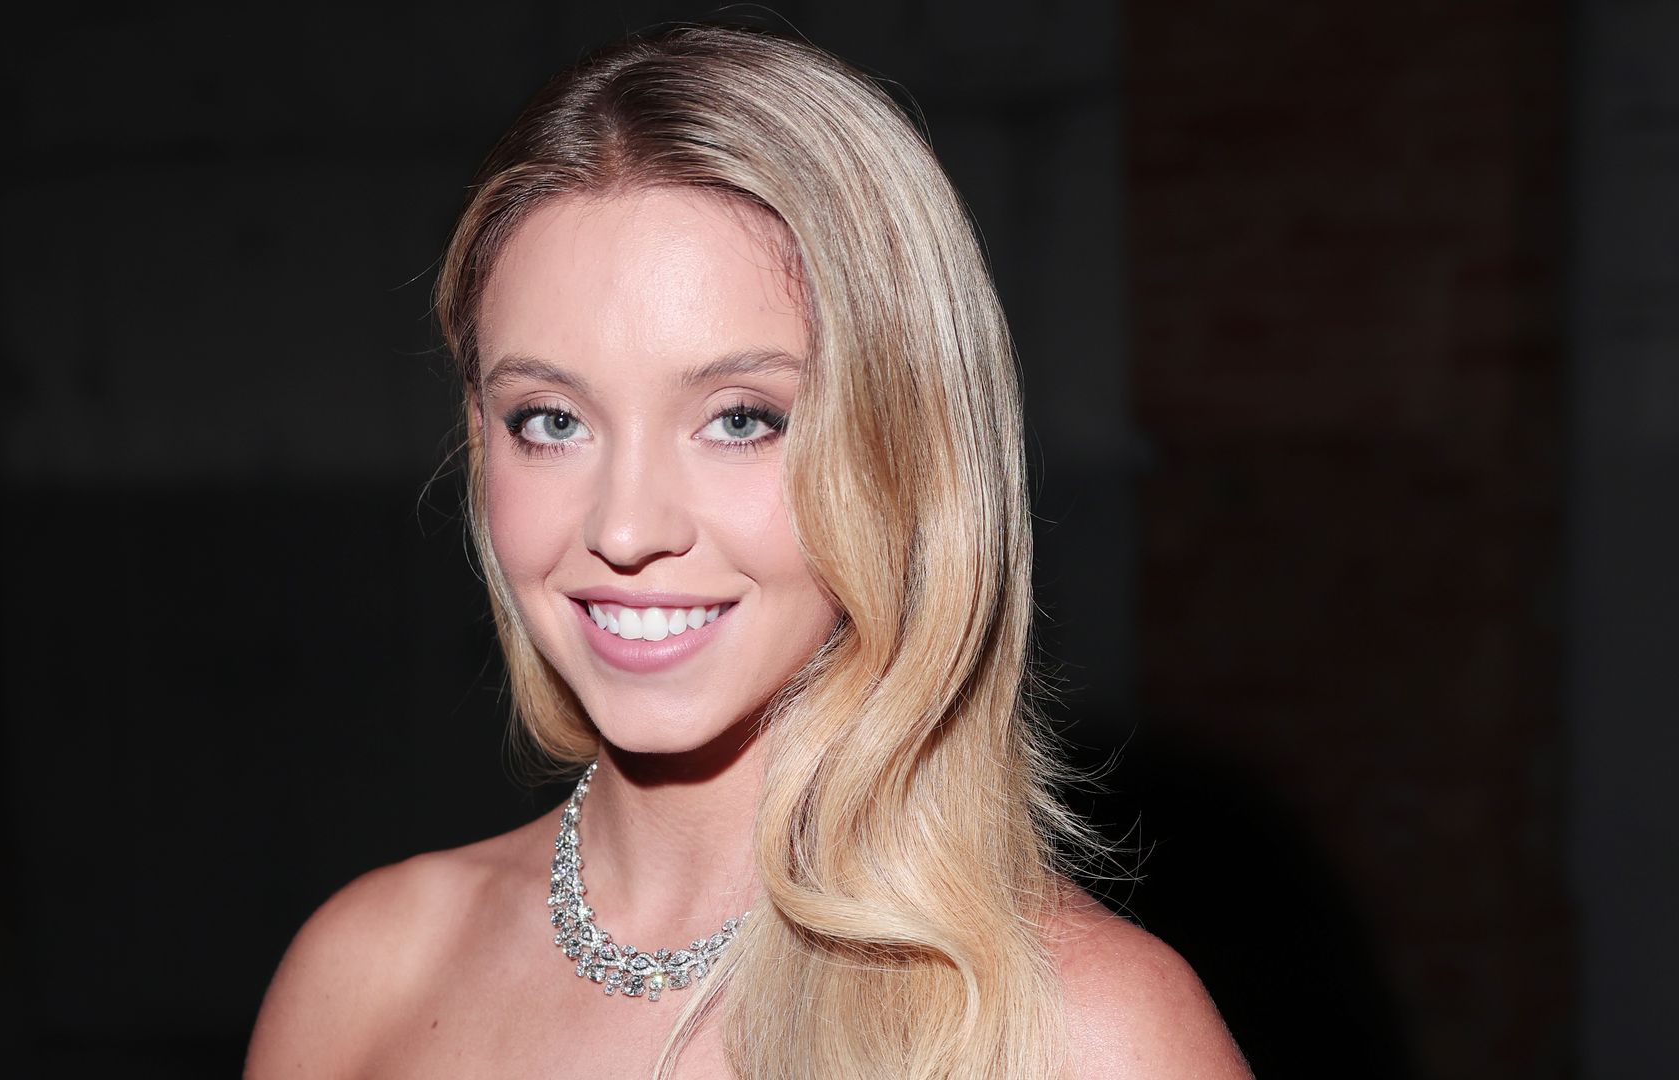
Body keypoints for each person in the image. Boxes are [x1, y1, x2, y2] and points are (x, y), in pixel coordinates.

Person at [246, 24, 1248, 1079]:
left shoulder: (1080, 1034)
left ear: (905, 449)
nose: (625, 529)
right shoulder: (365, 971)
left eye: (740, 419)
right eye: (550, 420)